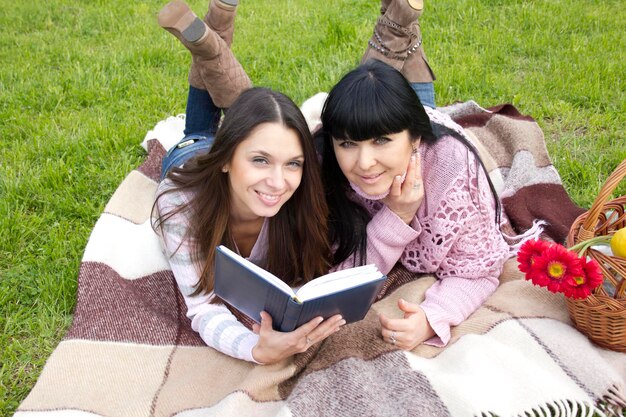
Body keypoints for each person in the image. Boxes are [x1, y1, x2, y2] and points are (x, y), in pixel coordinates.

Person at [153, 0, 345, 365]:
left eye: (293, 163)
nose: (278, 182)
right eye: (261, 161)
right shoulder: (179, 204)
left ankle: (211, 41)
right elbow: (201, 306)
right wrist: (255, 349)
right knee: (196, 132)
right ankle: (210, 45)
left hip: (232, 153)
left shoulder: (302, 192)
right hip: (192, 159)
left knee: (254, 118)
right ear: (227, 161)